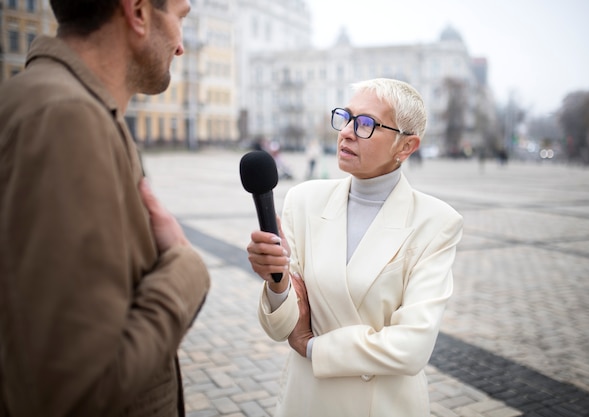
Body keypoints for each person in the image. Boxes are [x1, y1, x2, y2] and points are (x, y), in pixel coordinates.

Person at [0, 0, 210, 416]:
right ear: (137, 12)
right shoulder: (66, 118)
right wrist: (185, 270)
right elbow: (71, 392)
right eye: (180, 18)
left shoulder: (55, 103)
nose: (181, 46)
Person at [247, 78, 463, 417]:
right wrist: (278, 281)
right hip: (307, 402)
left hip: (384, 407)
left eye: (366, 124)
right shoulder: (304, 201)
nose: (346, 131)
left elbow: (412, 348)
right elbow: (279, 329)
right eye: (345, 117)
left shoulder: (436, 223)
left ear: (405, 147)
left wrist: (315, 347)